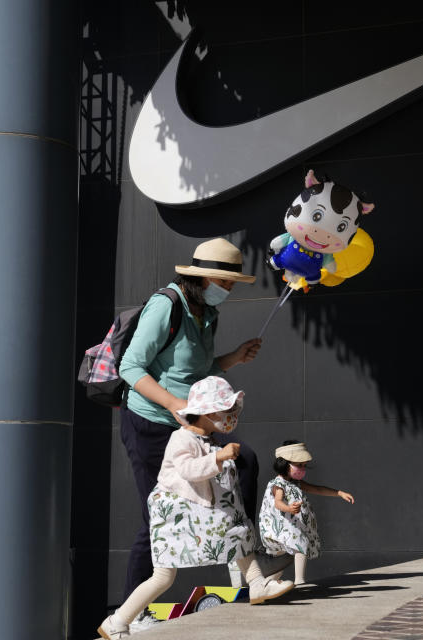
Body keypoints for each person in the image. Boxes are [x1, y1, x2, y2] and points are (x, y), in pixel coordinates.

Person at [117, 238, 264, 630]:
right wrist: (170, 403)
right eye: (225, 282)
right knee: (158, 518)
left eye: (232, 284)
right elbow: (131, 368)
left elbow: (196, 372)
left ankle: (246, 562)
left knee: (243, 460)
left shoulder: (207, 314)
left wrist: (232, 358)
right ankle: (131, 616)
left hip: (191, 426)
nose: (228, 290)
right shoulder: (166, 305)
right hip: (150, 423)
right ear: (201, 278)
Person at [98, 377, 294, 639]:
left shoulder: (209, 439)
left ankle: (257, 585)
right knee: (163, 577)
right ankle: (117, 621)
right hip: (174, 520)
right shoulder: (181, 439)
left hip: (198, 514)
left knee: (240, 535)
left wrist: (219, 456)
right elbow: (188, 470)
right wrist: (218, 457)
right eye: (225, 411)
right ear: (206, 413)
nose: (231, 416)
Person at [257, 441, 355, 586]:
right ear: (285, 464)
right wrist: (289, 508)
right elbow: (278, 502)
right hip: (281, 526)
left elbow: (318, 489)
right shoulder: (278, 484)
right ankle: (299, 581)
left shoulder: (295, 483)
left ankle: (267, 584)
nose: (302, 469)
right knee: (300, 544)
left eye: (304, 465)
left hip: (291, 527)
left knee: (280, 561)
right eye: (299, 465)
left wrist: (339, 493)